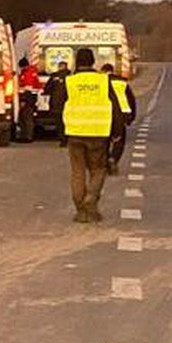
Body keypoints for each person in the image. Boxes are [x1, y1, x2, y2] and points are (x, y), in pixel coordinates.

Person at [63, 48, 122, 223]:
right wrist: (117, 132)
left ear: (76, 61)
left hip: (75, 133)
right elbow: (115, 107)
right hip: (98, 132)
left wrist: (62, 130)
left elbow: (57, 105)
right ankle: (91, 198)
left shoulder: (70, 81)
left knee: (77, 172)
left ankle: (81, 210)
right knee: (98, 169)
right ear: (93, 61)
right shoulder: (103, 81)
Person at [101, 63, 137, 175]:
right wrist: (132, 117)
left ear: (102, 71)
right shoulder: (122, 82)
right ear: (113, 71)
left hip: (105, 113)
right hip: (122, 114)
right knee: (119, 141)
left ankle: (106, 161)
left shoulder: (100, 82)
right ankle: (114, 159)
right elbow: (131, 99)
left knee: (104, 141)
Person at [43, 60, 71, 147]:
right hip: (70, 104)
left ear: (59, 67)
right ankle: (69, 138)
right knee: (69, 122)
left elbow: (47, 89)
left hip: (57, 103)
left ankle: (62, 140)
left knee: (59, 123)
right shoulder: (72, 76)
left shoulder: (54, 76)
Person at [16, 58, 42, 142]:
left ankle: (28, 137)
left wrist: (23, 100)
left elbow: (27, 88)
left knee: (26, 118)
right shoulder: (31, 72)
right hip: (31, 98)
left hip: (28, 98)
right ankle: (25, 136)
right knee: (25, 118)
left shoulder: (27, 73)